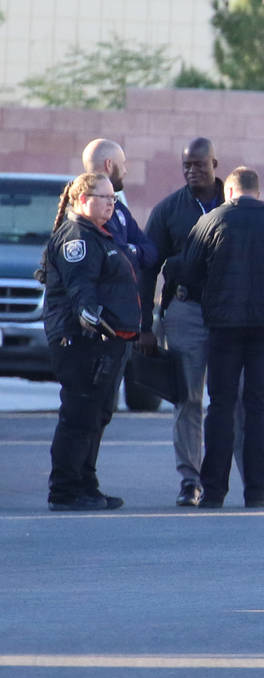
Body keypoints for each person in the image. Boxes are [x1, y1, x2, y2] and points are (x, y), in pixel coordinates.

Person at [181, 167, 264, 508]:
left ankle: (213, 492)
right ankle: (257, 490)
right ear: (259, 190)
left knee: (221, 406)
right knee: (258, 407)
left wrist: (206, 295)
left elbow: (189, 271)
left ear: (230, 192)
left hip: (223, 326)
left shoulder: (211, 221)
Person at [141, 137, 243, 507]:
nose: (192, 171)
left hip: (233, 315)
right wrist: (146, 324)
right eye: (186, 165)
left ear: (215, 164)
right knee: (188, 397)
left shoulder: (235, 205)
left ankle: (252, 480)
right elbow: (147, 267)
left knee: (238, 398)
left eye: (199, 164)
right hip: (185, 311)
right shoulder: (170, 210)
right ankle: (190, 479)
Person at [42, 173, 140, 510]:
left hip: (106, 342)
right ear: (83, 200)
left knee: (96, 414)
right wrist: (89, 314)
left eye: (114, 198)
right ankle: (65, 491)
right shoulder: (77, 238)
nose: (112, 203)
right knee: (79, 413)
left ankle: (87, 485)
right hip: (81, 340)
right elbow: (80, 284)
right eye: (105, 197)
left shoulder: (100, 234)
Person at [80, 138, 157, 277]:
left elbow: (150, 252)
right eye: (122, 164)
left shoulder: (119, 209)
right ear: (109, 165)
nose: (125, 171)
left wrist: (131, 250)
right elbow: (114, 256)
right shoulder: (81, 211)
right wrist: (129, 251)